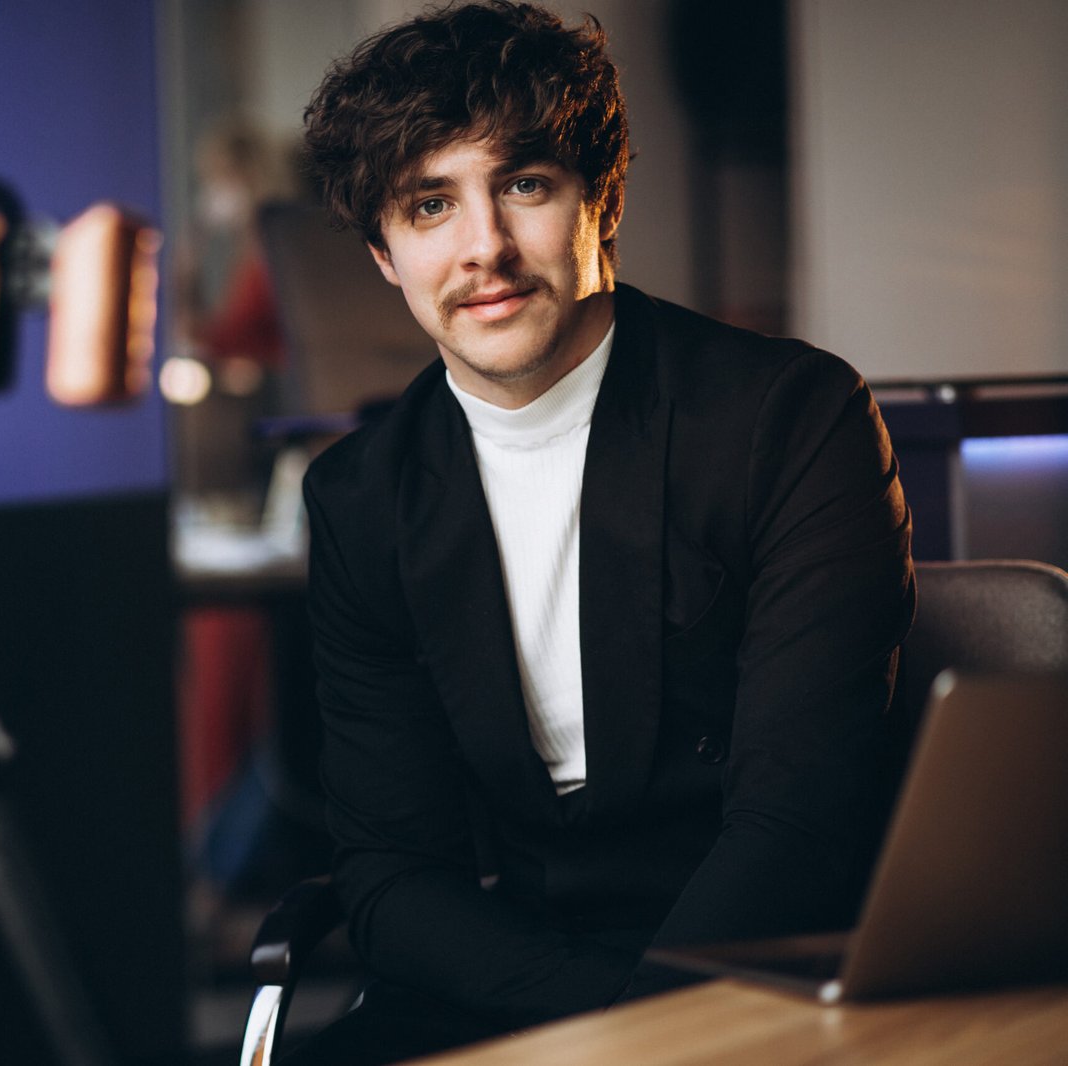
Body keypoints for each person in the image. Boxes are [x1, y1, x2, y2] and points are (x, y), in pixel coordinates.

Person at [291, 3, 915, 1062]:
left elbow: (800, 822)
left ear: (601, 198)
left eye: (523, 184)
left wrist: (650, 1028)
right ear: (384, 253)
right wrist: (591, 1020)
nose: (483, 246)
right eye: (429, 204)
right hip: (519, 980)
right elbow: (393, 870)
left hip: (764, 969)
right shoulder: (361, 495)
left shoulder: (789, 416)